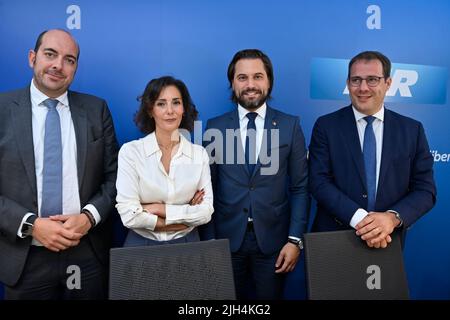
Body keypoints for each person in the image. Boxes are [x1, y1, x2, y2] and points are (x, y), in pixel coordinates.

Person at [0, 29, 119, 299]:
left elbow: (114, 177)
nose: (58, 65)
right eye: (50, 54)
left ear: (75, 68)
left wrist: (89, 217)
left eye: (69, 59)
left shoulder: (96, 109)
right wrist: (32, 225)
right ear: (33, 58)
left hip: (85, 253)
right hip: (24, 256)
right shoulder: (2, 110)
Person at [200, 49, 310, 299]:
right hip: (226, 241)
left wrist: (294, 241)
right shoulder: (215, 127)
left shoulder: (289, 125)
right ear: (232, 83)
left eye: (258, 76)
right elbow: (209, 188)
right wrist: (209, 243)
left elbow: (301, 188)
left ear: (269, 81)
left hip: (274, 243)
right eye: (242, 77)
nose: (250, 85)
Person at [309, 51, 436, 248]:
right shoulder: (326, 126)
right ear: (348, 83)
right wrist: (361, 220)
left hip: (386, 240)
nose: (363, 88)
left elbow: (425, 190)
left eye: (372, 80)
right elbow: (318, 181)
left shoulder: (412, 130)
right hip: (333, 238)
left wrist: (391, 219)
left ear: (388, 83)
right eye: (356, 80)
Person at [116, 76, 213, 247]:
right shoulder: (131, 152)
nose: (170, 110)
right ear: (150, 110)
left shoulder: (199, 155)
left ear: (184, 109)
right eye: (161, 103)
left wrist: (159, 209)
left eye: (176, 102)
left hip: (188, 245)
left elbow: (205, 212)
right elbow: (129, 215)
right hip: (140, 244)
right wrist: (184, 218)